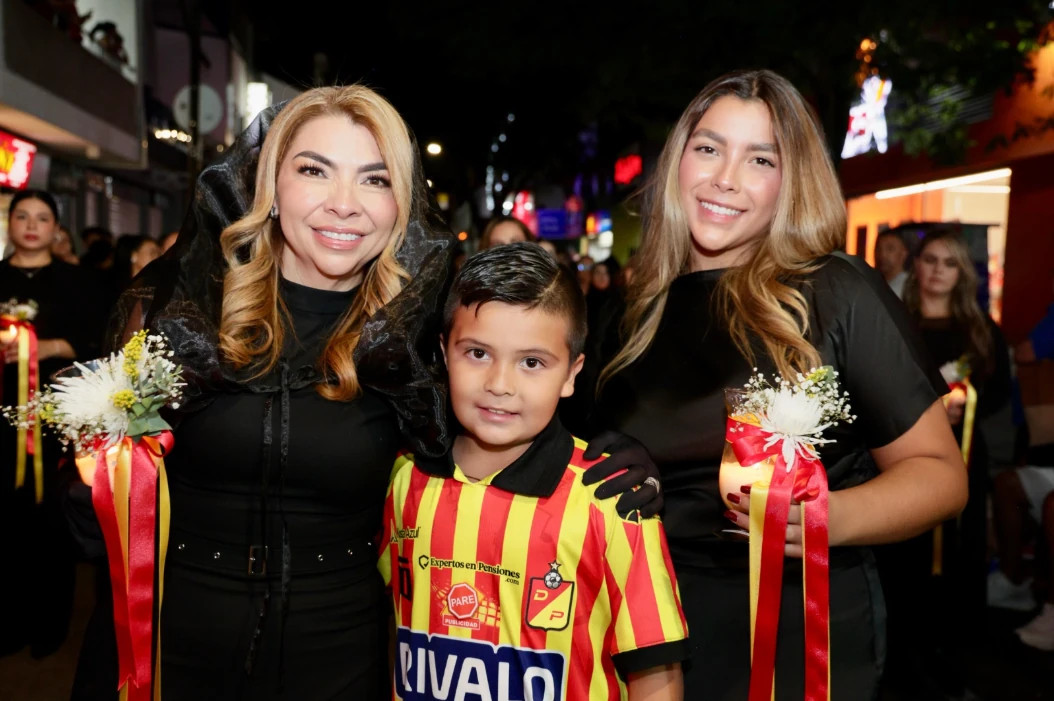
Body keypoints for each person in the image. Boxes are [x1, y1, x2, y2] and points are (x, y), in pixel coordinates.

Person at [64, 86, 660, 699]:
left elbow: (505, 416)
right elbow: (105, 461)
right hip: (166, 642)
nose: (344, 204)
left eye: (374, 180)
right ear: (270, 187)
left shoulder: (423, 339)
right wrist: (90, 494)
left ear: (400, 205)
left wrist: (606, 454)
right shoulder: (181, 313)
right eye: (314, 170)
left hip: (340, 657)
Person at [589, 70, 968, 699]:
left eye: (760, 158)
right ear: (678, 159)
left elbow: (940, 475)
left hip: (800, 623)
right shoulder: (632, 312)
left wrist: (830, 516)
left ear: (791, 183)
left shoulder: (837, 293)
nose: (725, 178)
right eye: (708, 148)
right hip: (648, 620)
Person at [380, 243, 688, 700]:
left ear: (571, 373)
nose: (499, 385)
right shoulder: (407, 479)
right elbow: (396, 621)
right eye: (478, 354)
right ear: (445, 353)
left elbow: (654, 670)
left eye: (531, 362)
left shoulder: (613, 499)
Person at [0, 190, 106, 659]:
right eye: (21, 215)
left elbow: (98, 341)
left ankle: (49, 627)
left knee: (50, 524)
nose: (30, 225)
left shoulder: (80, 282)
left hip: (54, 420)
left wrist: (51, 347)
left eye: (41, 218)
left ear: (56, 229)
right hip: (1, 421)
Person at [875, 228, 909, 298]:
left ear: (903, 253)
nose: (882, 255)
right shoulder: (872, 284)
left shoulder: (909, 287)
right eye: (878, 249)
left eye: (890, 249)